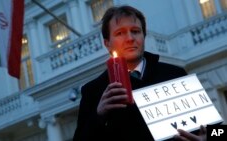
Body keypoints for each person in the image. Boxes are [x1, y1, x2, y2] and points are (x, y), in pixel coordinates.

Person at [73, 5, 206, 141]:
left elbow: (218, 131)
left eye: (135, 31)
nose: (130, 38)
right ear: (107, 44)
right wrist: (99, 116)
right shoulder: (93, 91)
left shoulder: (175, 74)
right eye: (120, 33)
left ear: (144, 36)